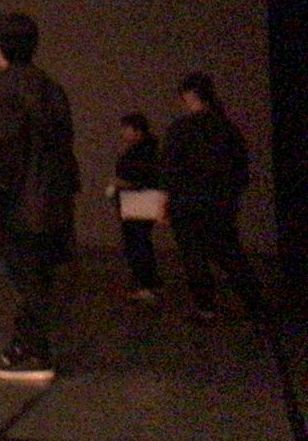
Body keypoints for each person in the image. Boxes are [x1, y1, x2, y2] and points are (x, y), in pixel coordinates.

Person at [0, 13, 80, 383]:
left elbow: (2, 151)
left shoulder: (3, 90)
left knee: (28, 280)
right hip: (53, 200)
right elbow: (64, 148)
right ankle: (24, 346)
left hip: (22, 204)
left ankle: (34, 354)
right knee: (39, 278)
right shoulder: (51, 87)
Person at [160, 72, 262, 322]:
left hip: (187, 205)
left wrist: (166, 201)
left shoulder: (181, 129)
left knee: (194, 257)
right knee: (230, 254)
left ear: (189, 96)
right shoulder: (227, 129)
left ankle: (206, 308)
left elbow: (169, 170)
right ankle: (255, 303)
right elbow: (240, 171)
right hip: (219, 204)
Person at [106, 113, 163, 302]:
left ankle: (147, 285)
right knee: (138, 242)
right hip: (134, 201)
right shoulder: (141, 149)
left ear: (137, 131)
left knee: (138, 243)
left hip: (139, 201)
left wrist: (120, 183)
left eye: (126, 128)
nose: (122, 132)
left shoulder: (144, 152)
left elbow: (142, 178)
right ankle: (146, 282)